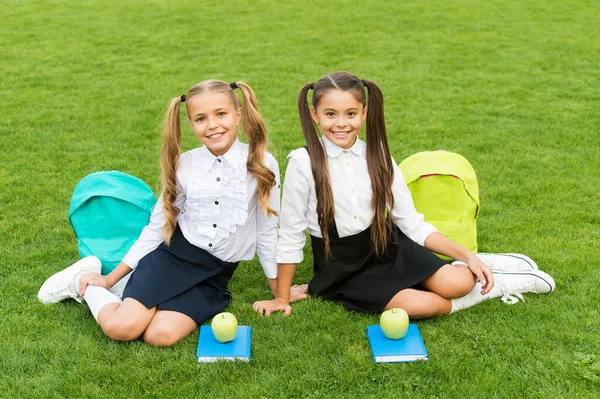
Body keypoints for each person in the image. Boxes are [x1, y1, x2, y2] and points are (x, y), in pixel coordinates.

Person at [253, 71, 555, 318]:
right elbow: (291, 233)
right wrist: (282, 296)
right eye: (330, 114)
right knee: (418, 305)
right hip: (343, 267)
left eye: (351, 113)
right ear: (315, 115)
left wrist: (466, 256)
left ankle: (484, 264)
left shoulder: (378, 155)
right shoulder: (302, 162)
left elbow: (411, 222)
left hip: (387, 245)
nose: (341, 123)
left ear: (364, 113)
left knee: (459, 281)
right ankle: (501, 285)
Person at [38, 79, 306, 346]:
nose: (212, 125)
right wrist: (108, 279)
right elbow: (157, 227)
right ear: (191, 124)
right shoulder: (185, 165)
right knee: (124, 328)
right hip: (173, 259)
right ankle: (81, 283)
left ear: (238, 115)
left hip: (214, 273)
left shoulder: (262, 163)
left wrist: (279, 294)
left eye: (221, 114)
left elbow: (267, 231)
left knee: (159, 336)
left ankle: (129, 291)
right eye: (201, 118)